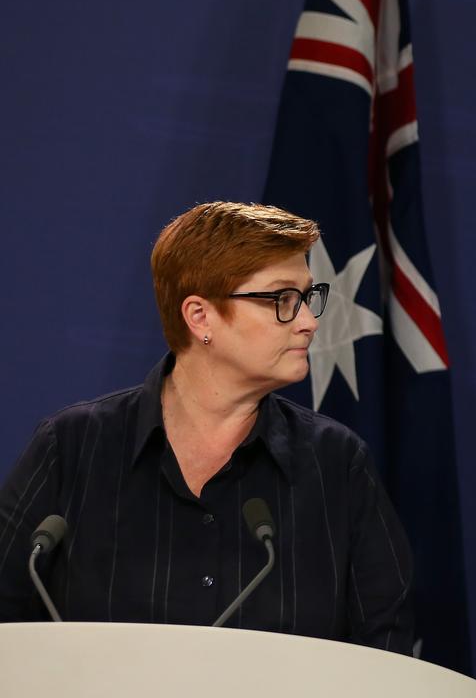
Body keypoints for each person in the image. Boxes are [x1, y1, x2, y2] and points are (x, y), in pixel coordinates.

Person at [0, 202, 415, 653]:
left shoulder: (336, 463)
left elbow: (385, 644)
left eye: (307, 298)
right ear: (200, 317)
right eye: (282, 300)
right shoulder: (73, 447)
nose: (309, 323)